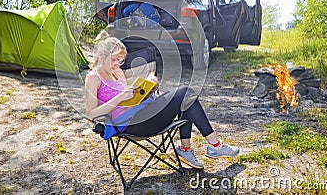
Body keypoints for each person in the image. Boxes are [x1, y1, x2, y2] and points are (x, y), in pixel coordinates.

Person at [85, 30, 239, 169]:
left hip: (141, 112)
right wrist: (119, 98)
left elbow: (130, 96)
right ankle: (215, 145)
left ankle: (187, 149)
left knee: (186, 98)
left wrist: (149, 83)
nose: (117, 64)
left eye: (121, 61)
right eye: (115, 60)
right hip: (129, 125)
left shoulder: (117, 72)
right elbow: (91, 115)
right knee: (185, 92)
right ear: (102, 56)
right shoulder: (93, 78)